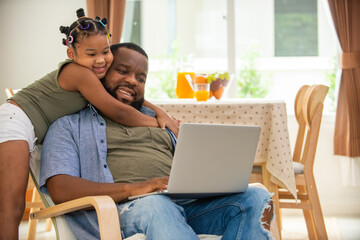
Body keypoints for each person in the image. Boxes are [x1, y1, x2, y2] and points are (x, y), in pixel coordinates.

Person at [40, 42, 274, 240]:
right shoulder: (68, 125)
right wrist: (136, 188)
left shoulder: (161, 121)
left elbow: (189, 170)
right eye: (123, 71)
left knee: (257, 197)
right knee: (156, 206)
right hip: (125, 210)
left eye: (141, 78)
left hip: (185, 205)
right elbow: (60, 190)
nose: (133, 81)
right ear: (100, 73)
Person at [0, 9, 178, 240]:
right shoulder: (79, 74)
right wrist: (156, 123)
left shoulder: (95, 74)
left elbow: (131, 98)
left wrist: (161, 112)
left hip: (27, 126)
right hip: (14, 121)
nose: (101, 59)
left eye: (105, 51)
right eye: (91, 53)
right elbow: (117, 110)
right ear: (72, 54)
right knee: (11, 205)